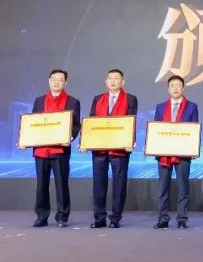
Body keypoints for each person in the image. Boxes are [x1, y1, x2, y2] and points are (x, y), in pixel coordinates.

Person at [29, 69, 81, 228]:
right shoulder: (39, 100)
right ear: (49, 81)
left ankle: (62, 216)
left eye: (60, 79)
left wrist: (69, 138)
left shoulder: (73, 102)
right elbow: (32, 123)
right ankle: (41, 216)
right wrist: (26, 139)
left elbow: (76, 125)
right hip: (41, 149)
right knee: (41, 185)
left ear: (66, 82)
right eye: (54, 79)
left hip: (60, 150)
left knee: (61, 184)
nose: (56, 82)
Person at [88, 69, 138, 229]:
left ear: (123, 82)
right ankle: (99, 218)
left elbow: (131, 121)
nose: (113, 81)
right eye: (110, 78)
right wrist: (85, 142)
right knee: (98, 184)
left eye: (116, 78)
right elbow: (91, 122)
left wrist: (130, 141)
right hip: (99, 149)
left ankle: (115, 218)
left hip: (120, 149)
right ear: (106, 82)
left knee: (119, 184)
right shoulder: (98, 99)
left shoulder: (130, 99)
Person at [152, 74, 199, 229]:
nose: (175, 88)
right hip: (164, 153)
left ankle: (182, 219)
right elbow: (156, 129)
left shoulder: (192, 106)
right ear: (168, 89)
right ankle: (163, 218)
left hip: (183, 153)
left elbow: (194, 128)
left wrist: (193, 148)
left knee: (183, 187)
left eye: (178, 85)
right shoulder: (160, 107)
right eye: (172, 85)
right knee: (162, 188)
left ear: (183, 88)